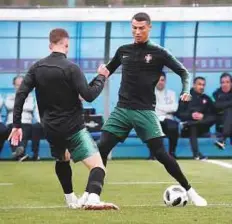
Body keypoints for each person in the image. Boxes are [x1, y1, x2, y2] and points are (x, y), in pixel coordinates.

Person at [97, 12, 207, 206]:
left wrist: (185, 90)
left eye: (141, 28)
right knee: (101, 148)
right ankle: (93, 196)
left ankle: (191, 191)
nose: (137, 32)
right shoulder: (123, 50)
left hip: (145, 111)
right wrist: (93, 82)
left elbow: (183, 72)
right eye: (134, 28)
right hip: (122, 109)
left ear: (149, 28)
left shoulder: (159, 52)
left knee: (161, 154)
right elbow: (107, 71)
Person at [8, 28, 118, 210]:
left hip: (50, 128)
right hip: (73, 128)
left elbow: (21, 95)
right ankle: (92, 198)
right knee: (98, 166)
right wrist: (101, 77)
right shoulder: (71, 68)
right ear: (66, 45)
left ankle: (70, 198)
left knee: (62, 159)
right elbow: (89, 95)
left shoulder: (37, 68)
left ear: (50, 45)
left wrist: (17, 125)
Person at [176, 77, 215, 160]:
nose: (202, 87)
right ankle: (196, 154)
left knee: (213, 117)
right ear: (194, 85)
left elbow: (212, 115)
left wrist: (203, 116)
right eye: (199, 84)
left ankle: (191, 123)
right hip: (188, 129)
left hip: (202, 128)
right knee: (192, 126)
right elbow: (178, 113)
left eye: (203, 85)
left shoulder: (207, 98)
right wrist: (191, 115)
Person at [5, 75, 41, 161]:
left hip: (26, 123)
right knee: (14, 129)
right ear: (14, 85)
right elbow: (9, 105)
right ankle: (20, 153)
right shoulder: (9, 97)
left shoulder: (31, 98)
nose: (20, 87)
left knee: (25, 129)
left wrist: (40, 121)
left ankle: (18, 154)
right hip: (12, 122)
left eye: (22, 84)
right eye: (18, 85)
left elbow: (34, 111)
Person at [154, 72, 179, 159]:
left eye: (162, 80)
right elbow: (151, 109)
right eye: (158, 80)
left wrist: (158, 107)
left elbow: (174, 108)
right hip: (155, 120)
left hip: (169, 120)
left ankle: (172, 153)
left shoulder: (171, 93)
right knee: (152, 127)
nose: (160, 82)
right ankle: (154, 154)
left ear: (165, 81)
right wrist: (167, 109)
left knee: (174, 127)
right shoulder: (150, 93)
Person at [213, 72, 232, 150]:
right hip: (221, 123)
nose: (225, 84)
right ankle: (224, 138)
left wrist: (225, 104)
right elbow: (217, 106)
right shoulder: (216, 94)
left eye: (227, 82)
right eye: (222, 82)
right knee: (229, 110)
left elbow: (221, 105)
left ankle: (223, 139)